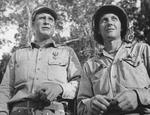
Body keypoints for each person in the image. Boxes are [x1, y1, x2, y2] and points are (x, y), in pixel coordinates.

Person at [0, 6, 82, 115]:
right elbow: (6, 88)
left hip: (54, 110)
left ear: (54, 27)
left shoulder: (67, 52)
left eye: (50, 19)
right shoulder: (18, 54)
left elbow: (80, 82)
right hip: (18, 111)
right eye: (42, 18)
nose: (46, 22)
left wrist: (61, 88)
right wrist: (2, 111)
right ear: (33, 25)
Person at [77, 4, 150, 115]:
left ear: (121, 27)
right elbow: (80, 107)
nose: (109, 22)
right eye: (104, 20)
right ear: (98, 30)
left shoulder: (142, 50)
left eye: (114, 19)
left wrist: (138, 96)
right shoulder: (90, 65)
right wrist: (90, 105)